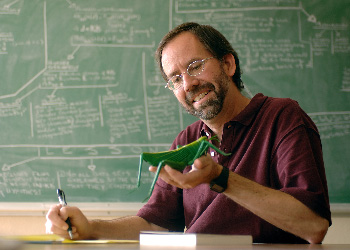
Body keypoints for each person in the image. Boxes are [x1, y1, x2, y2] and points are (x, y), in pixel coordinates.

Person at [45, 22, 331, 244]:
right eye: (175, 79)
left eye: (195, 66)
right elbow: (155, 224)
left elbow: (313, 226)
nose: (188, 84)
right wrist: (90, 228)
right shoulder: (187, 140)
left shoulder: (282, 117)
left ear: (228, 64)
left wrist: (220, 178)